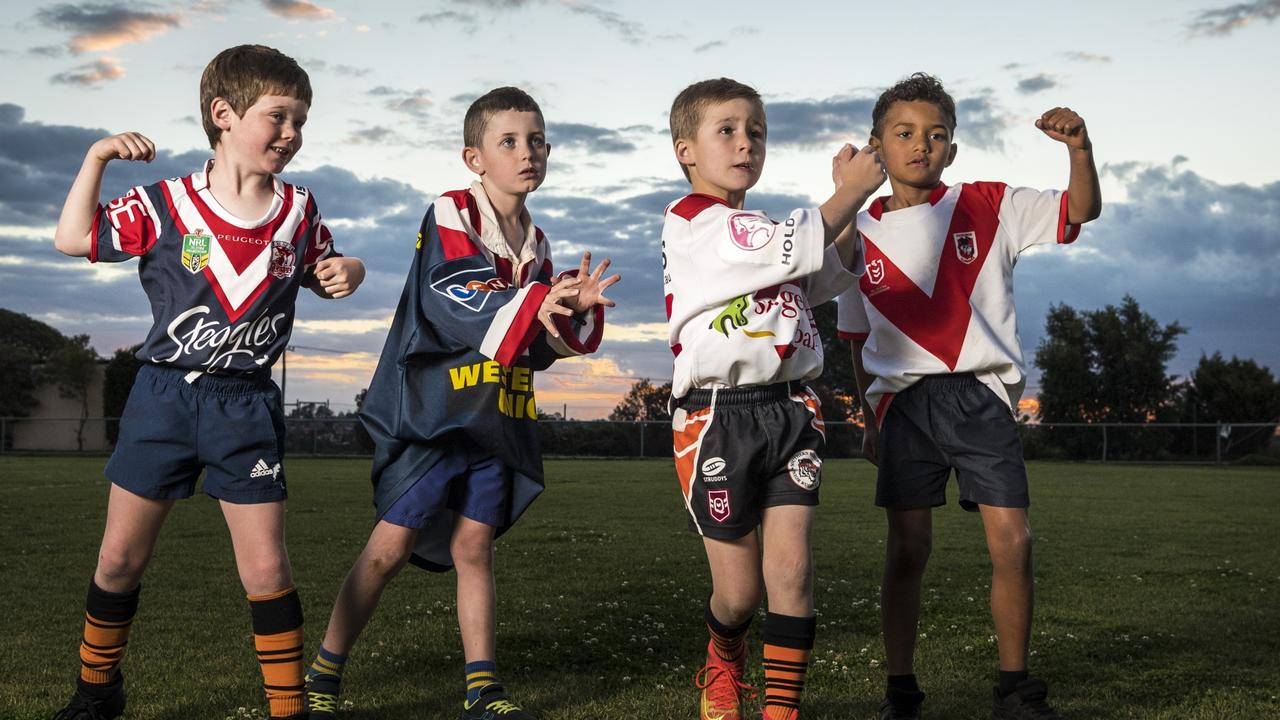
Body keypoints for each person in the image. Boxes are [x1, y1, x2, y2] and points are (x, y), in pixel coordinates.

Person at [49, 44, 365, 720]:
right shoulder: (165, 204)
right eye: (277, 116)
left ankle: (289, 710)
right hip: (163, 397)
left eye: (300, 120)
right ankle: (96, 694)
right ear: (224, 114)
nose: (291, 134)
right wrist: (96, 157)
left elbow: (329, 268)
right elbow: (73, 239)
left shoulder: (300, 212)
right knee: (117, 563)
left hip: (244, 405)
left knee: (268, 573)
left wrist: (351, 271)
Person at [304, 86, 618, 720]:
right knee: (389, 547)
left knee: (475, 546)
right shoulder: (449, 212)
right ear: (473, 158)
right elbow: (453, 297)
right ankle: (324, 672)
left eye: (536, 141)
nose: (526, 152)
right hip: (434, 411)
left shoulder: (538, 241)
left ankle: (483, 690)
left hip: (492, 414)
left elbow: (532, 344)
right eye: (509, 141)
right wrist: (538, 302)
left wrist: (570, 308)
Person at [835, 72, 1101, 720]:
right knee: (907, 549)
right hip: (905, 406)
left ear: (951, 149)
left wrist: (1080, 149)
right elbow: (852, 338)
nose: (920, 145)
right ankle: (901, 692)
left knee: (1014, 542)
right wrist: (870, 417)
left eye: (936, 135)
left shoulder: (990, 203)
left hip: (981, 398)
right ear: (877, 145)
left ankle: (1016, 689)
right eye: (903, 133)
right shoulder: (856, 235)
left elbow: (1079, 211)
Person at [662, 77, 886, 720]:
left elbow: (821, 275)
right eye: (726, 130)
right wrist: (850, 190)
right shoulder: (694, 221)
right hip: (716, 418)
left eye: (755, 131)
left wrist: (850, 211)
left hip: (792, 409)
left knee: (790, 571)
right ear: (687, 150)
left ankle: (782, 710)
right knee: (737, 593)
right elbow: (785, 243)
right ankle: (723, 657)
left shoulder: (756, 227)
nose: (745, 142)